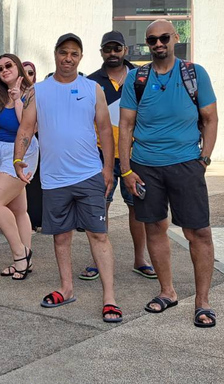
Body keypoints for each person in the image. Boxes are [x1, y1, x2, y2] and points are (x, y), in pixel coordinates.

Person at [14, 33, 122, 323]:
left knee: (98, 235)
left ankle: (109, 297)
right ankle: (66, 288)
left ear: (81, 57)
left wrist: (108, 169)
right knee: (60, 237)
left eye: (74, 54)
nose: (68, 58)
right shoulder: (40, 90)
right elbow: (26, 128)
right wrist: (17, 159)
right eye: (63, 52)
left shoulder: (93, 89)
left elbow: (104, 130)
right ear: (55, 54)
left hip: (88, 175)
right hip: (54, 179)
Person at [118, 19, 218, 328]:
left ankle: (202, 302)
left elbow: (210, 118)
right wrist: (127, 170)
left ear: (176, 37)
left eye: (164, 37)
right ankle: (167, 291)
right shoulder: (137, 78)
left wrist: (204, 158)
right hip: (146, 167)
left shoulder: (194, 73)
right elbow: (125, 126)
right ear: (146, 44)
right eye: (152, 40)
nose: (158, 44)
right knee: (154, 228)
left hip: (187, 165)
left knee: (198, 232)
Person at [83, 30, 155, 281]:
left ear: (125, 50)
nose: (112, 54)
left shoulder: (142, 77)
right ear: (101, 52)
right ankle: (97, 260)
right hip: (101, 156)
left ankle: (140, 259)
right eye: (107, 49)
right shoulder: (91, 82)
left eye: (117, 49)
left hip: (135, 156)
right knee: (100, 208)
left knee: (137, 209)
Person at [0, 54, 37, 280]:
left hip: (22, 152)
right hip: (1, 152)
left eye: (9, 65)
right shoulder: (2, 92)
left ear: (19, 67)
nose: (4, 70)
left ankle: (19, 253)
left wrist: (17, 100)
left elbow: (28, 128)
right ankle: (27, 261)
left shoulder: (30, 93)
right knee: (18, 210)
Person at [21, 61, 42, 231]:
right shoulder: (9, 94)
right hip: (17, 144)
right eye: (24, 72)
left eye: (30, 73)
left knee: (34, 184)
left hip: (37, 142)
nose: (27, 76)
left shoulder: (40, 93)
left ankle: (34, 219)